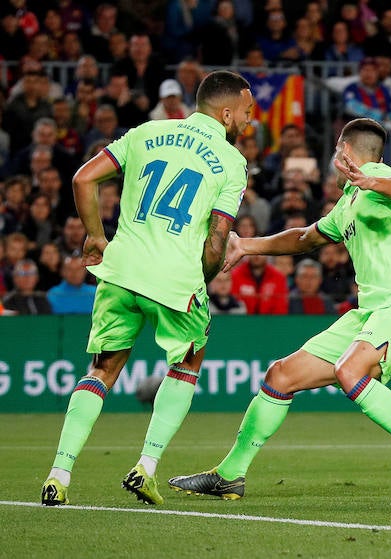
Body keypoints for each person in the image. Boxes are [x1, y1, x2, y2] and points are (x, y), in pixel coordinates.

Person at [168, 118, 391, 503]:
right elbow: (303, 238)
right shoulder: (348, 203)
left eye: (335, 153)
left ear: (345, 152)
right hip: (370, 314)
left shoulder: (378, 179)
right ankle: (230, 475)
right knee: (281, 375)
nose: (334, 161)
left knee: (349, 370)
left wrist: (370, 180)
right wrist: (246, 246)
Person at [40, 70, 255, 506]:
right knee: (189, 361)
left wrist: (98, 237)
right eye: (247, 112)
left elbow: (83, 179)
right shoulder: (232, 162)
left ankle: (58, 475)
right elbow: (216, 242)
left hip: (120, 270)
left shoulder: (146, 133)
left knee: (101, 370)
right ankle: (147, 466)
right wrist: (202, 279)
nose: (249, 122)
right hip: (174, 279)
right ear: (227, 112)